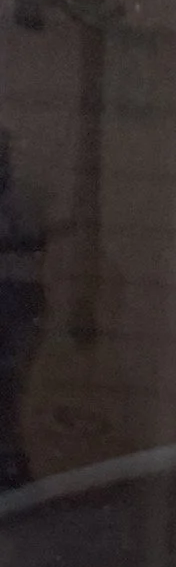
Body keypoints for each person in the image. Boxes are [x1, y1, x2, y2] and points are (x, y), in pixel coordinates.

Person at [0, 129, 47, 491]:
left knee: (10, 390)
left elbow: (33, 243)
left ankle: (11, 466)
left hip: (16, 299)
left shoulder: (25, 198)